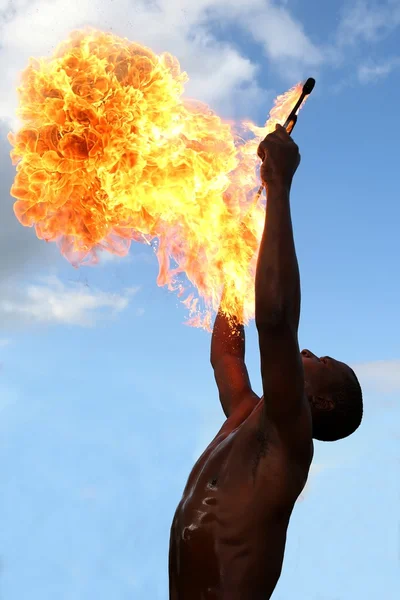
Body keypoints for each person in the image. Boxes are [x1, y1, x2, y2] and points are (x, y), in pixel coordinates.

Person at [168, 124, 363, 600]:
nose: (307, 352)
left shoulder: (290, 441)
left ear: (320, 402)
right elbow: (225, 355)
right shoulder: (244, 415)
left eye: (322, 360)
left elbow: (275, 321)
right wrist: (235, 268)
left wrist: (279, 186)